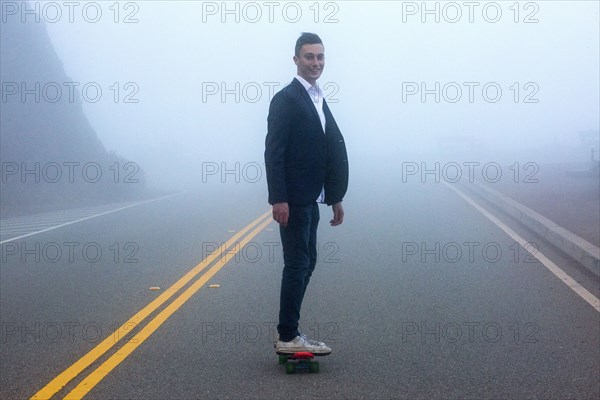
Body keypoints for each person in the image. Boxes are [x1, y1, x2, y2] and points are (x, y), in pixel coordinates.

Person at [264, 32, 349, 355]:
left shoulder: (316, 97)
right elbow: (274, 152)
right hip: (294, 199)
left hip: (312, 196)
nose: (316, 63)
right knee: (297, 264)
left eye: (321, 57)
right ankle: (288, 335)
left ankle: (291, 331)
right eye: (310, 57)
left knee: (306, 262)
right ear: (296, 59)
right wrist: (278, 198)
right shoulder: (287, 99)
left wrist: (334, 196)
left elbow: (325, 149)